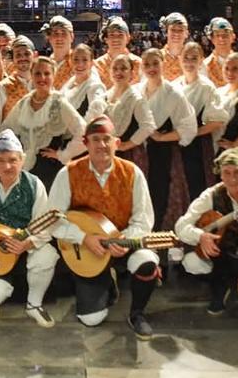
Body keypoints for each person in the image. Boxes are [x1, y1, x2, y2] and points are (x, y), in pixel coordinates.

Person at [49, 116, 161, 339]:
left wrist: (123, 239)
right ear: (86, 143)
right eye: (95, 139)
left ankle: (137, 313)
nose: (101, 145)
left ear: (116, 143)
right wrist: (84, 238)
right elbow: (53, 219)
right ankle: (107, 283)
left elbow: (143, 219)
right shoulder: (68, 173)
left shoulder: (132, 172)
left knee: (147, 261)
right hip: (88, 249)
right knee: (91, 319)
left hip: (123, 242)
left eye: (106, 139)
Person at [0, 130, 59, 326]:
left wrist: (28, 243)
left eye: (13, 160)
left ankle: (34, 304)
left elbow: (44, 224)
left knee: (47, 254)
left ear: (22, 160)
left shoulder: (34, 185)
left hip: (23, 245)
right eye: (0, 160)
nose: (7, 166)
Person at [174, 147, 238, 315]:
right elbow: (181, 226)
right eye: (227, 173)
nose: (232, 179)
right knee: (191, 262)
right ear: (220, 174)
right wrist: (201, 236)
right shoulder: (211, 195)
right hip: (224, 255)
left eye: (237, 172)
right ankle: (222, 284)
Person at [2, 56, 86, 189]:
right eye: (37, 73)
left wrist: (62, 154)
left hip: (51, 173)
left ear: (53, 76)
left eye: (47, 73)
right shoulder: (24, 103)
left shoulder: (59, 103)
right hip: (25, 171)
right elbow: (6, 129)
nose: (42, 78)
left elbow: (83, 131)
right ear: (31, 75)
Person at [139, 48, 198, 230]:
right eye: (147, 64)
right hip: (139, 152)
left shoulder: (173, 93)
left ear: (163, 63)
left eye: (155, 63)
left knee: (159, 194)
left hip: (162, 153)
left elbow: (189, 127)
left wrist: (161, 137)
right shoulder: (137, 90)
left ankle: (157, 234)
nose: (151, 68)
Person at [176, 42, 227, 203]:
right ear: (180, 59)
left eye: (194, 58)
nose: (189, 63)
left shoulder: (206, 87)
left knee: (198, 187)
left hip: (199, 145)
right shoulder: (174, 85)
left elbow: (218, 120)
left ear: (201, 61)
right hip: (176, 143)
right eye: (186, 58)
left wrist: (193, 133)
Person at [101, 55, 157, 165]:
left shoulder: (136, 98)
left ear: (131, 73)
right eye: (115, 68)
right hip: (107, 152)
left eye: (123, 68)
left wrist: (126, 145)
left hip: (129, 155)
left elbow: (148, 126)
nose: (118, 72)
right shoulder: (105, 96)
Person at [0, 36, 35, 124]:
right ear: (13, 59)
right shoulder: (2, 88)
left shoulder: (43, 84)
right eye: (18, 55)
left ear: (35, 55)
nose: (23, 58)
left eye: (27, 54)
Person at [203, 18, 238, 89]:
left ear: (233, 37)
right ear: (212, 39)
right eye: (217, 35)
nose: (221, 39)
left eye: (225, 35)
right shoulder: (205, 66)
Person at [61, 43, 106, 119]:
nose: (80, 64)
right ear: (71, 61)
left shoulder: (95, 87)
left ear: (91, 63)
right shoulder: (70, 82)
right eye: (76, 59)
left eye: (85, 60)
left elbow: (97, 114)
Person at [95, 17, 141, 87]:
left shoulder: (139, 64)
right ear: (106, 39)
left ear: (128, 38)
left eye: (120, 35)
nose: (116, 39)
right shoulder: (97, 65)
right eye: (112, 35)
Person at [43, 16, 76, 90]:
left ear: (72, 37)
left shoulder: (80, 62)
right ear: (49, 38)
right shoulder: (45, 65)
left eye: (63, 33)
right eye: (55, 33)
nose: (59, 38)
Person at [159, 13, 190, 81]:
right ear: (166, 32)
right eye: (173, 30)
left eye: (180, 30)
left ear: (186, 33)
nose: (176, 33)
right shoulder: (157, 58)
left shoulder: (194, 58)